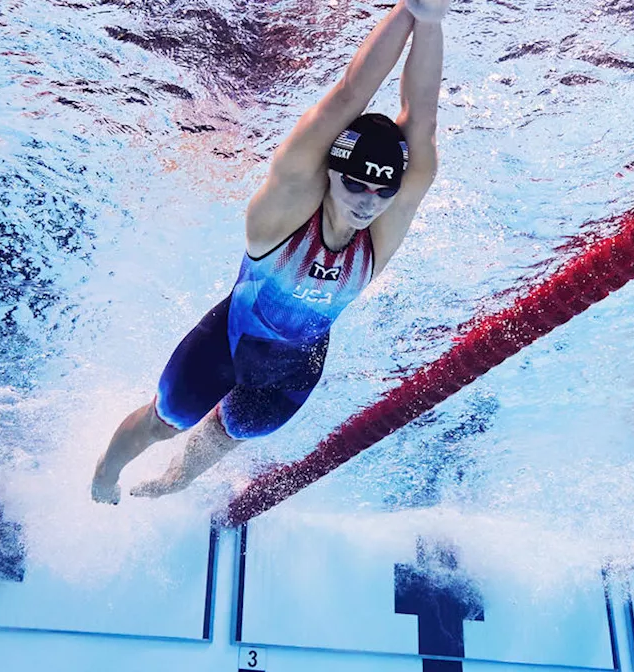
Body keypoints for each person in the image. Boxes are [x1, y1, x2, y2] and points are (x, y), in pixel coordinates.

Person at [91, 0, 449, 504]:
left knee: (231, 432)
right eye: (356, 185)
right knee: (167, 419)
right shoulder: (282, 217)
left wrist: (431, 21)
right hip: (229, 344)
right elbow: (350, 95)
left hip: (295, 368)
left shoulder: (380, 236)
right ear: (330, 171)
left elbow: (421, 122)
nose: (368, 202)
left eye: (382, 192)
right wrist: (411, 11)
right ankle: (105, 470)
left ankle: (177, 479)